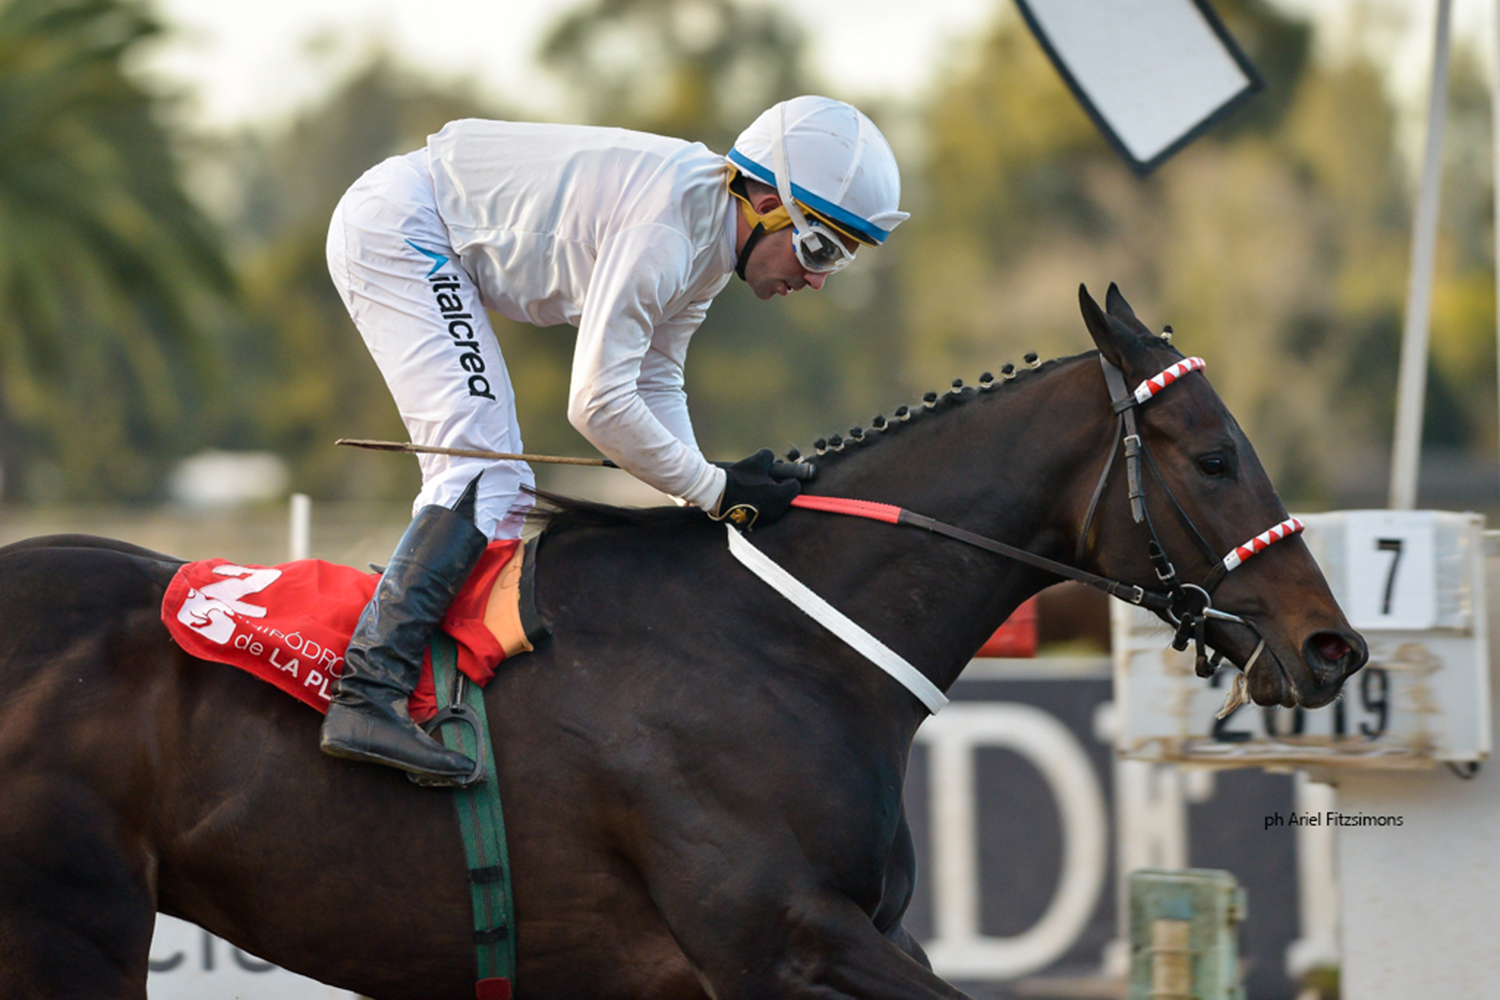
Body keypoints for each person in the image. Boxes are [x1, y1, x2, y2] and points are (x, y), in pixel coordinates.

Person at [320, 95, 908, 785]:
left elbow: (654, 382)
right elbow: (597, 404)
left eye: (837, 261)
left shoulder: (706, 241)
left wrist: (708, 501)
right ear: (766, 203)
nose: (816, 279)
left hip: (421, 224)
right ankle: (367, 692)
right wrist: (713, 486)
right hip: (402, 226)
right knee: (481, 472)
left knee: (500, 488)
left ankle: (441, 685)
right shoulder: (667, 228)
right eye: (818, 249)